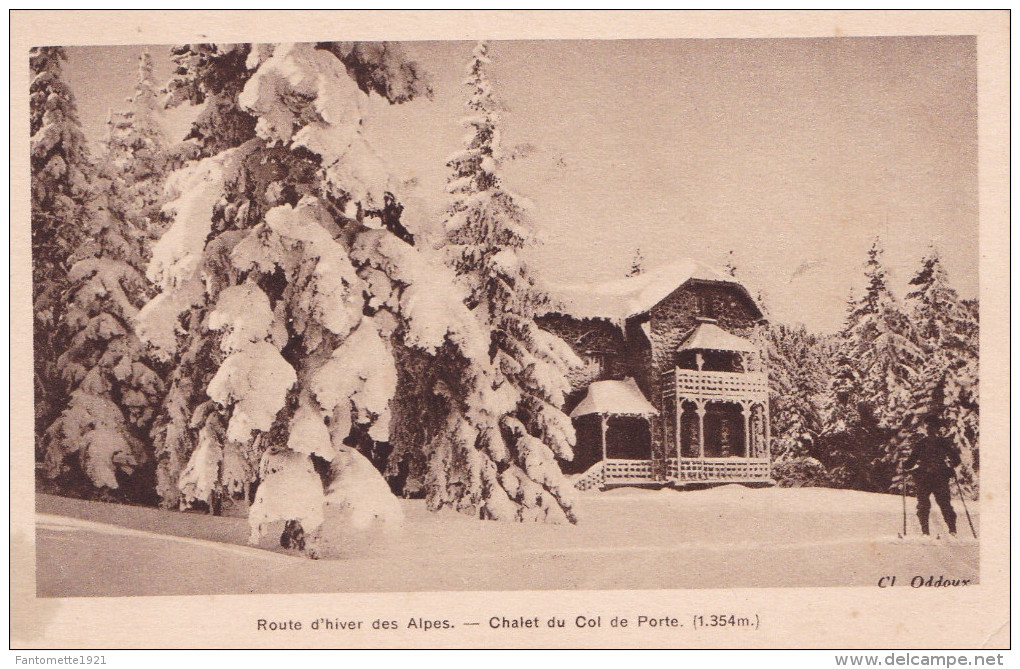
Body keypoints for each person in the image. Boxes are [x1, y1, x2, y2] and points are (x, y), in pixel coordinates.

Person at [904, 414, 961, 536]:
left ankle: (947, 530)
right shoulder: (938, 443)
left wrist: (905, 465)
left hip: (931, 477)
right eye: (928, 427)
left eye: (932, 427)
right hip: (932, 477)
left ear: (936, 428)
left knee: (937, 505)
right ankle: (945, 531)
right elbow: (956, 460)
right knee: (933, 505)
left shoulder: (926, 443)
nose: (930, 429)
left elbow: (956, 460)